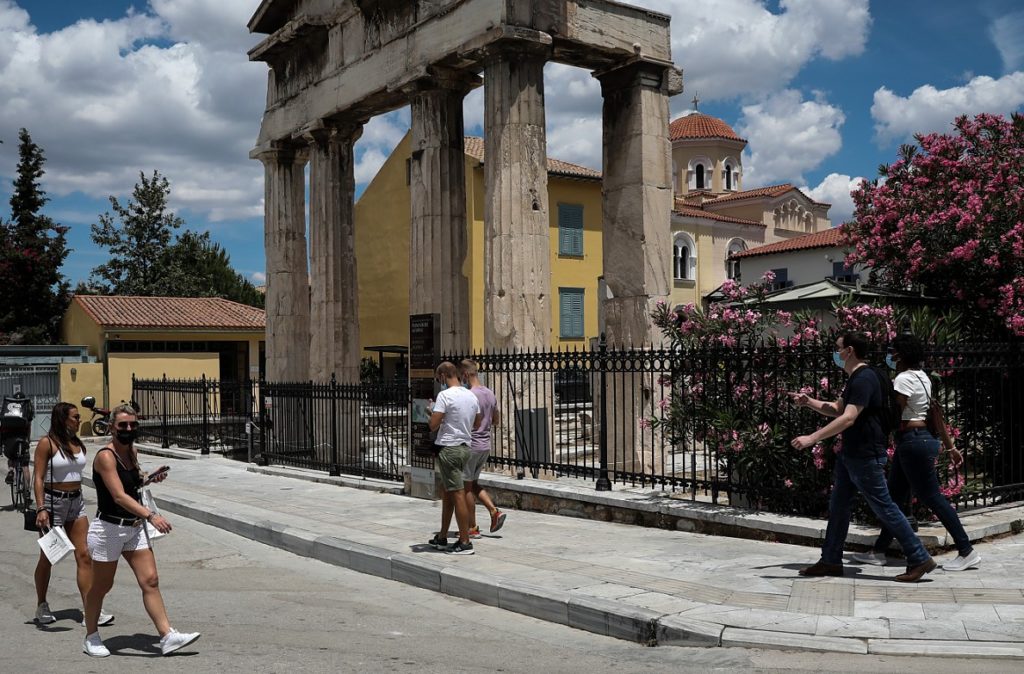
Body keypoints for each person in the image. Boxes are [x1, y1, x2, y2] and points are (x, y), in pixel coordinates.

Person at [789, 332, 936, 582]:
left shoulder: (865, 378)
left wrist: (812, 438)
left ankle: (919, 557)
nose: (835, 354)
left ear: (849, 351)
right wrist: (808, 402)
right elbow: (838, 409)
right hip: (853, 454)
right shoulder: (861, 377)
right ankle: (831, 560)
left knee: (885, 507)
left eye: (837, 349)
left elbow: (848, 418)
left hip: (865, 454)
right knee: (838, 507)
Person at [851, 333, 980, 571]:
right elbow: (934, 412)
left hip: (913, 442)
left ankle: (966, 550)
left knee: (931, 497)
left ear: (900, 355)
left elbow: (895, 414)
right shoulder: (923, 378)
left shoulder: (901, 379)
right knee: (895, 498)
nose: (890, 355)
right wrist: (950, 446)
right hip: (919, 441)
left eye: (892, 351)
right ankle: (879, 551)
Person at [82, 404, 199, 657]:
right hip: (109, 529)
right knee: (102, 587)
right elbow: (119, 496)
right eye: (123, 425)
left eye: (133, 425)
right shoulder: (105, 456)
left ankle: (167, 635)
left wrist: (149, 478)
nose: (128, 429)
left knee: (151, 581)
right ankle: (91, 636)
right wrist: (152, 515)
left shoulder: (131, 451)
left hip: (134, 529)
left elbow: (134, 482)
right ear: (112, 427)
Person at [32, 403, 115, 627]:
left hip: (76, 502)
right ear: (63, 419)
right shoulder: (46, 444)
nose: (79, 420)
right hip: (52, 503)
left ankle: (90, 608)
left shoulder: (77, 443)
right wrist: (41, 508)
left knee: (85, 555)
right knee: (48, 557)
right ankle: (42, 604)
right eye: (75, 417)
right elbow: (38, 477)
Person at [426, 362, 481, 555]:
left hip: (449, 448)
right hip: (465, 447)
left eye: (438, 378)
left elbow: (433, 425)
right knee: (447, 492)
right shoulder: (471, 395)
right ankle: (442, 537)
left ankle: (465, 541)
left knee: (457, 493)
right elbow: (478, 421)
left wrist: (430, 412)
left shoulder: (444, 395)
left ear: (442, 376)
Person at [458, 360, 506, 538]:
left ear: (465, 375)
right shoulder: (490, 393)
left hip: (472, 445)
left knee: (466, 488)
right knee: (473, 483)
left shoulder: (470, 395)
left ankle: (472, 527)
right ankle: (494, 512)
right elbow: (496, 420)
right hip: (485, 445)